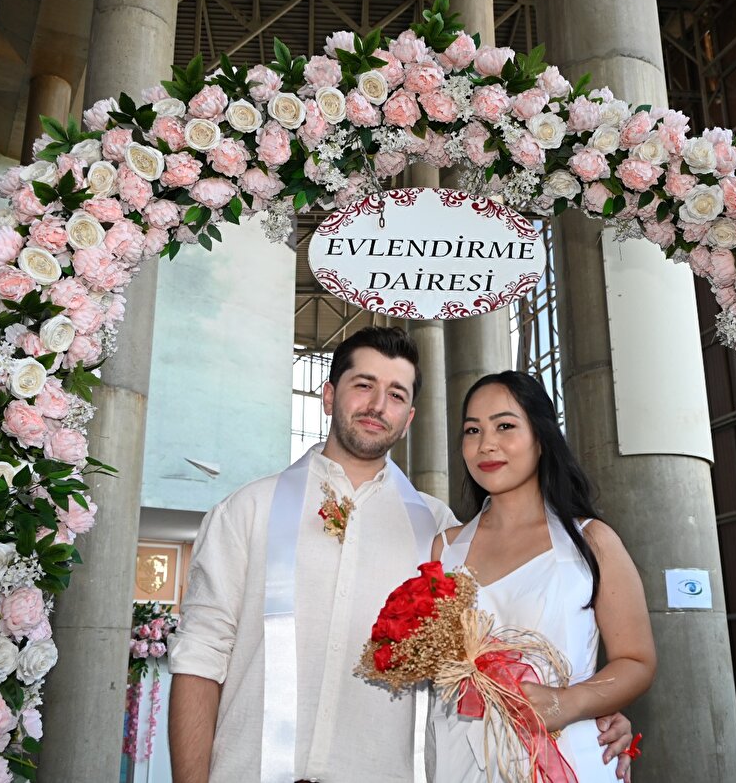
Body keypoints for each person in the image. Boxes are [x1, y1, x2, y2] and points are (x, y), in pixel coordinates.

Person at [167, 327, 639, 782]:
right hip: (251, 769)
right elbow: (199, 658)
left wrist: (586, 704)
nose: (377, 405)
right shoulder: (248, 510)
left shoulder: (438, 531)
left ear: (410, 417)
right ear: (329, 396)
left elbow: (496, 644)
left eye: (396, 394)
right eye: (363, 385)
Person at [430, 371, 657, 781]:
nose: (486, 444)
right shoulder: (444, 549)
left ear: (541, 436)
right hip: (459, 760)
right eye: (472, 430)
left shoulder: (592, 541)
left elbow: (637, 660)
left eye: (505, 426)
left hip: (567, 752)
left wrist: (570, 702)